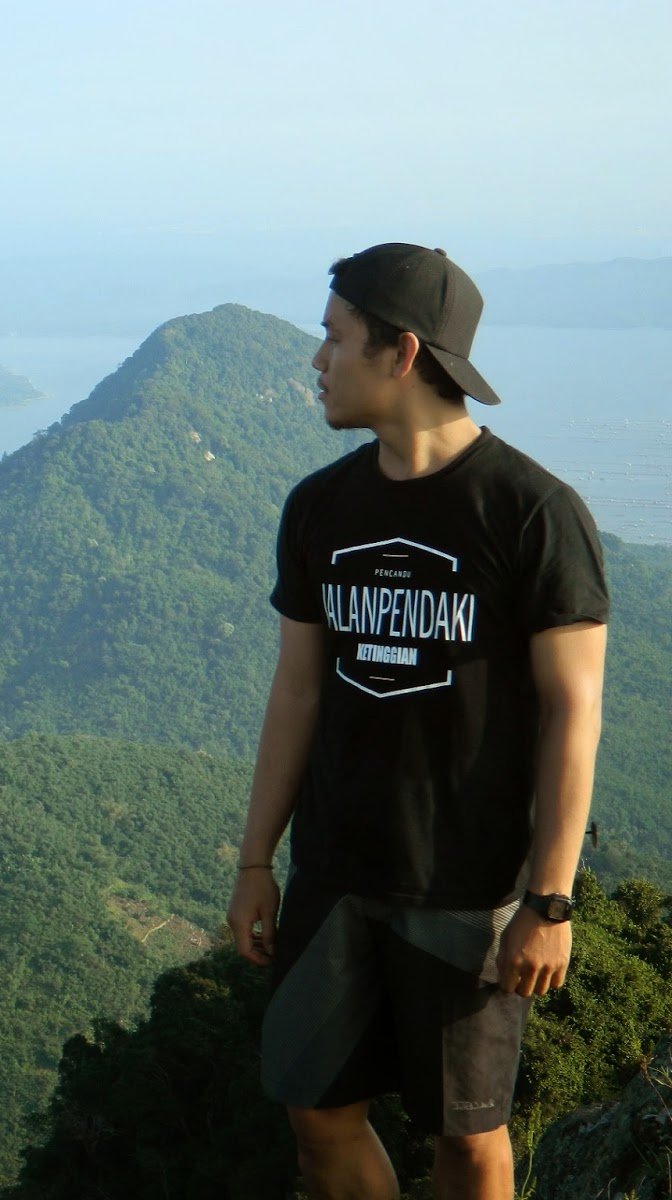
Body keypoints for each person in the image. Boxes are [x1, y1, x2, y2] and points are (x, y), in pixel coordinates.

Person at [226, 243, 610, 1200]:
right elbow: (298, 693)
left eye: (333, 338)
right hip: (335, 872)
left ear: (401, 354)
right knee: (317, 1119)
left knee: (469, 1141)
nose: (317, 360)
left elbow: (575, 711)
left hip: (469, 885)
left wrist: (550, 900)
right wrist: (255, 860)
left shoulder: (531, 512)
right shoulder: (320, 507)